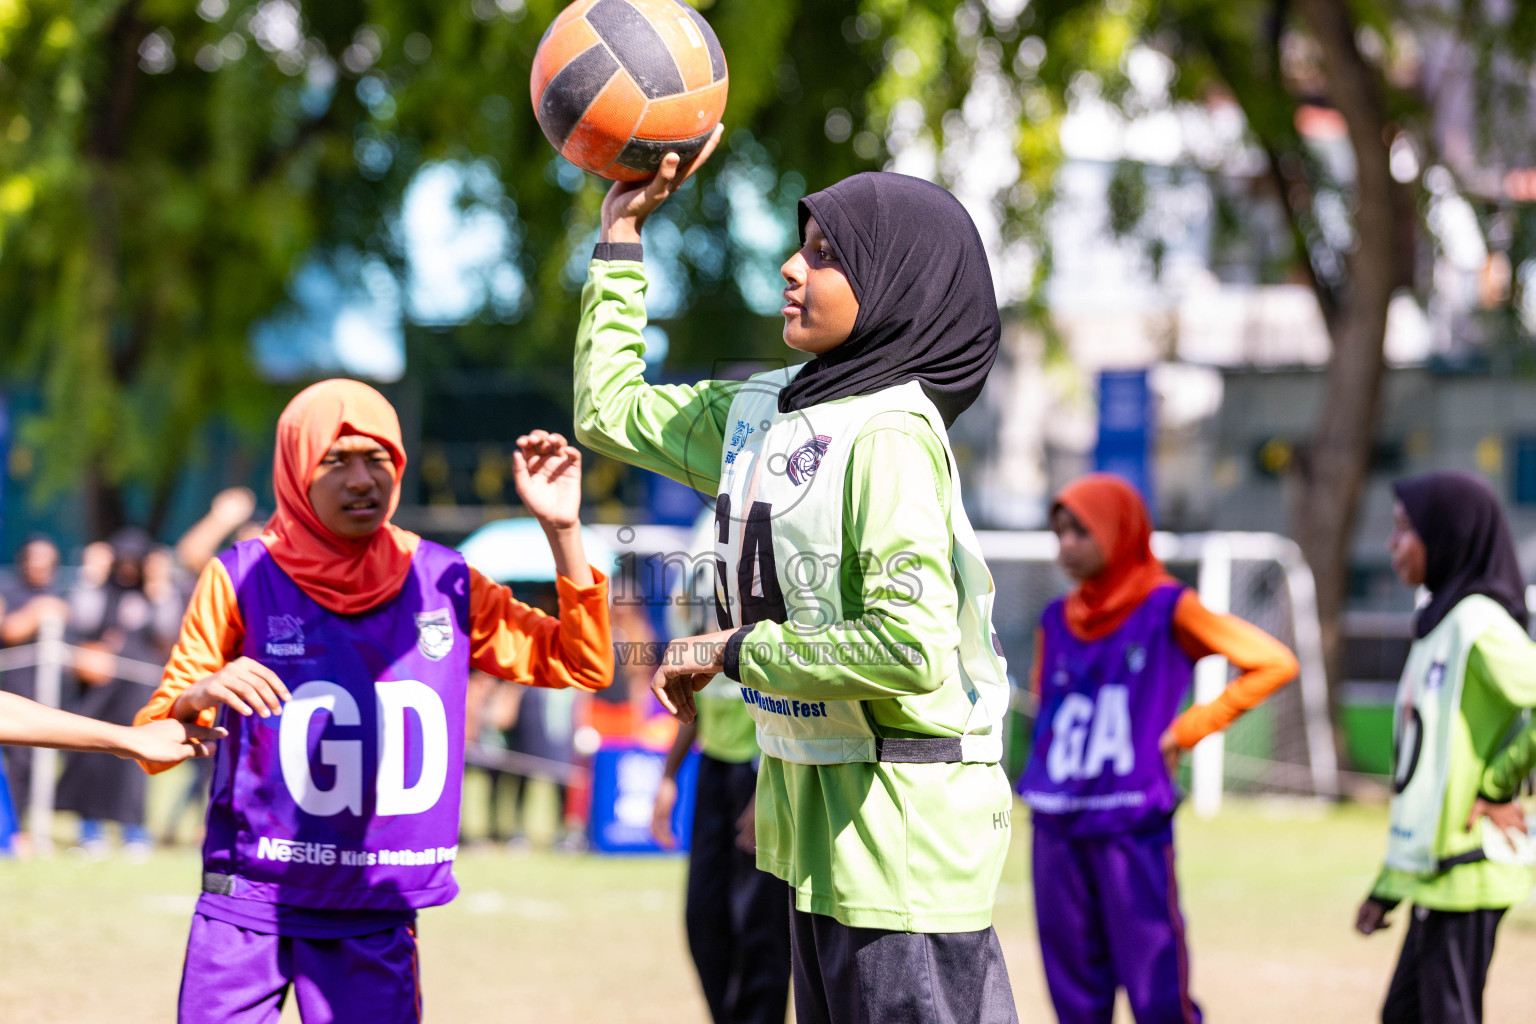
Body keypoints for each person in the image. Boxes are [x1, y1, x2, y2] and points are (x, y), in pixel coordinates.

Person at [575, 137, 1019, 1024]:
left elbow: (910, 648)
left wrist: (734, 648)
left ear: (898, 285)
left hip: (903, 848)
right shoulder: (762, 413)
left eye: (823, 255)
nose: (789, 266)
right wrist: (620, 239)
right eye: (798, 244)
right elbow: (608, 409)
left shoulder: (890, 436)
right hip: (816, 843)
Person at [134, 379, 613, 1024]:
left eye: (379, 458)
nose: (363, 479)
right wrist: (196, 694)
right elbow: (154, 741)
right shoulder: (240, 575)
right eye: (336, 460)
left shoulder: (444, 577)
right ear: (297, 469)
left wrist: (563, 530)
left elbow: (580, 662)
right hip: (249, 897)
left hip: (375, 902)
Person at [1016, 474, 1298, 1024]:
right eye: (1059, 533)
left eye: (1081, 531)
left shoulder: (1168, 606)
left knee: (1158, 993)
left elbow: (1273, 662)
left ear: (1120, 531)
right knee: (1073, 997)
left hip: (1130, 824)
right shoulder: (1055, 620)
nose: (1066, 545)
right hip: (1055, 828)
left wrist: (1187, 729)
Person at [1356, 472, 1536, 1024]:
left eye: (1407, 530)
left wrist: (1498, 784)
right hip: (1436, 874)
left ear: (1450, 535)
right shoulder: (1440, 622)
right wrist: (1386, 889)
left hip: (1468, 868)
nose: (1392, 544)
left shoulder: (1479, 622)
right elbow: (1425, 777)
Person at [651, 514, 791, 1024]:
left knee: (760, 930)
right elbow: (697, 700)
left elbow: (789, 704)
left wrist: (768, 793)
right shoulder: (697, 597)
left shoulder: (765, 603)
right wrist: (668, 776)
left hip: (765, 768)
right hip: (715, 767)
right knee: (704, 920)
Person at [57, 526, 185, 857]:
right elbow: (81, 623)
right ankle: (90, 829)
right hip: (98, 691)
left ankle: (134, 831)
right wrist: (91, 576)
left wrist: (160, 585)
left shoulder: (154, 593)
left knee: (135, 763)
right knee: (92, 755)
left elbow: (165, 633)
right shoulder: (100, 590)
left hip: (138, 691)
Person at [0, 535, 70, 836]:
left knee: (37, 764)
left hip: (51, 694)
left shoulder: (61, 593)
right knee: (15, 763)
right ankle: (11, 830)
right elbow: (11, 631)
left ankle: (24, 828)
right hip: (12, 691)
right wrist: (39, 610)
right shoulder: (9, 590)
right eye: (34, 558)